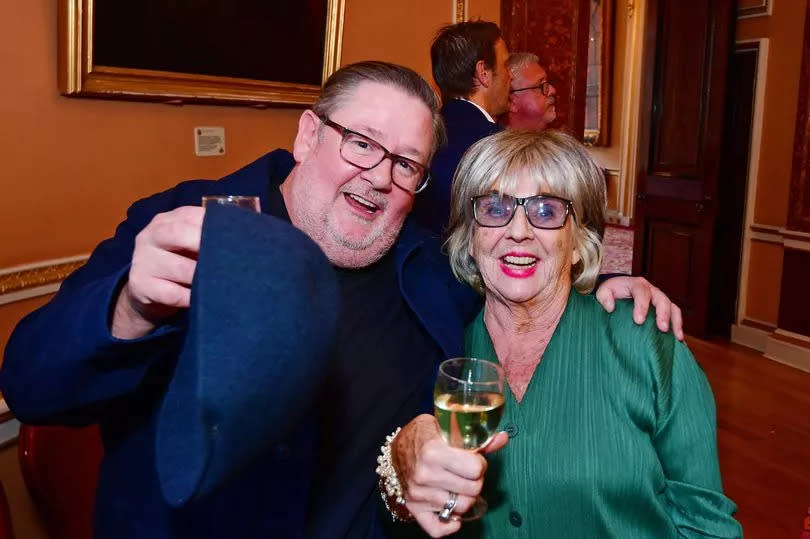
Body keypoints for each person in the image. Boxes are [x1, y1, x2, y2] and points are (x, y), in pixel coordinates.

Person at [1, 62, 680, 539]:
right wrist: (130, 308)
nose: (378, 176)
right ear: (307, 135)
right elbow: (30, 382)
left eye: (406, 163)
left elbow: (517, 274)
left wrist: (596, 289)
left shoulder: (430, 273)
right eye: (361, 142)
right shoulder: (190, 229)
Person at [390, 130, 740, 538]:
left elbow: (707, 526)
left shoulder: (648, 345)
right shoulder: (438, 349)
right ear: (470, 239)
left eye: (545, 211)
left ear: (577, 242)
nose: (518, 230)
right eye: (495, 207)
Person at [410, 21, 509, 236]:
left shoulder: (418, 134)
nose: (510, 76)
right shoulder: (499, 146)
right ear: (483, 72)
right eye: (505, 65)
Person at [500, 52, 558, 131]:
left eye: (547, 83)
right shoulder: (491, 142)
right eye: (540, 86)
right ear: (511, 102)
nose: (552, 90)